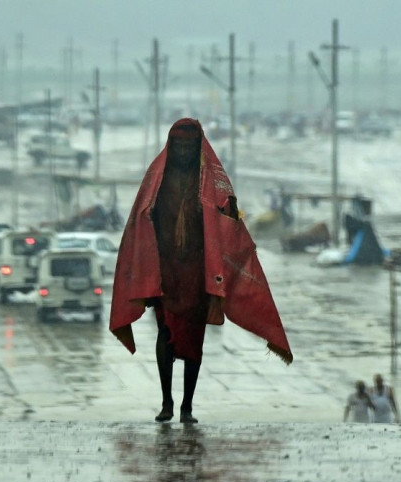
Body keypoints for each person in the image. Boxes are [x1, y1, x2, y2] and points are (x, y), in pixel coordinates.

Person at [109, 118, 293, 423]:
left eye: (188, 146)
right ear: (170, 146)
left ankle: (187, 407)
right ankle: (167, 403)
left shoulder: (212, 182)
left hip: (198, 275)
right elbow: (140, 218)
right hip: (165, 273)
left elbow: (229, 221)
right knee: (165, 334)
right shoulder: (156, 178)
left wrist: (227, 215)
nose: (182, 152)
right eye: (177, 146)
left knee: (194, 340)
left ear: (198, 148)